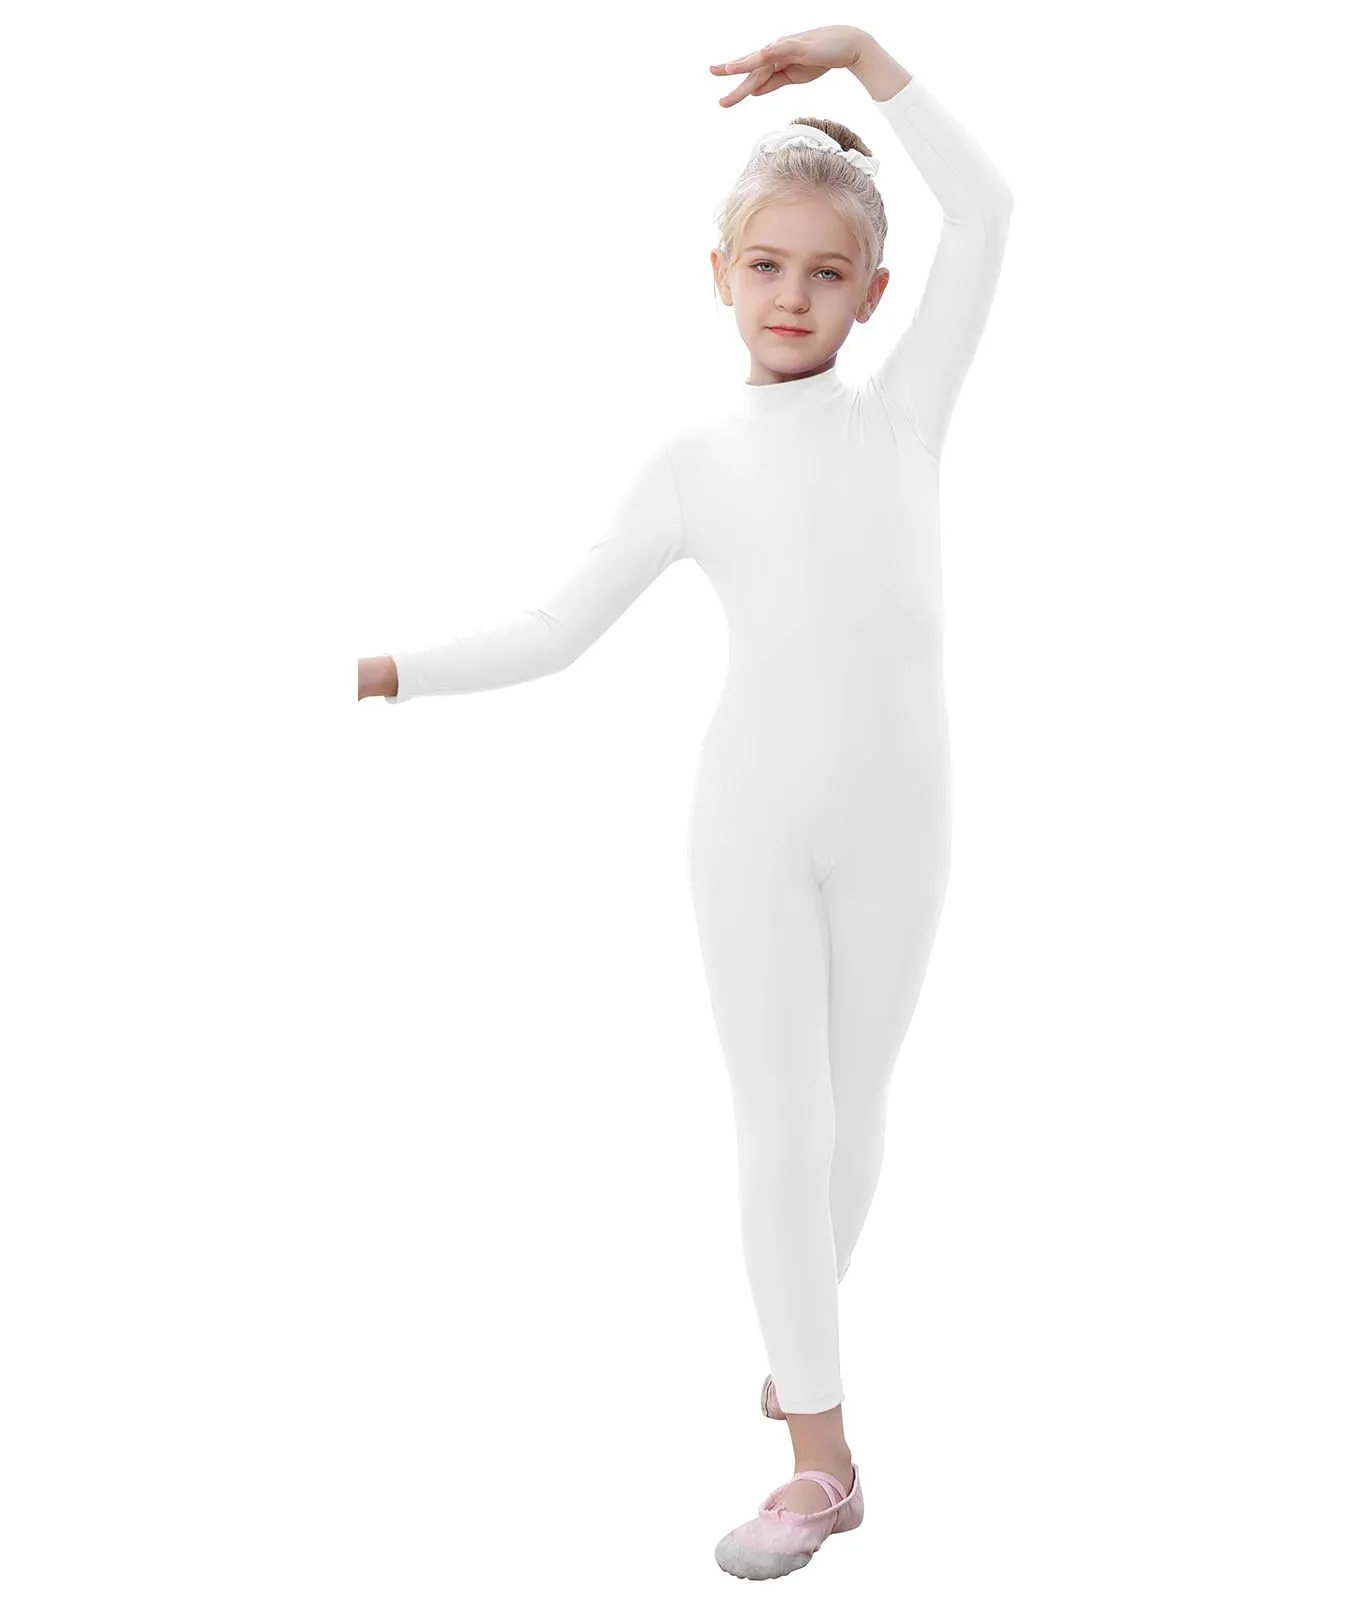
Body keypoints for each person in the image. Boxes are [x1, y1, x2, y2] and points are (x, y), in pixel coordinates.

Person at [356, 25, 1012, 1581]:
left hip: (903, 825)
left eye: (827, 274)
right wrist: (383, 669)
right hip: (751, 830)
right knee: (783, 1134)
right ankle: (823, 1467)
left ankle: (799, 1344)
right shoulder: (692, 459)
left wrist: (868, 58)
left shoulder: (903, 416)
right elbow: (553, 630)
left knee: (854, 1128)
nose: (793, 295)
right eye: (765, 266)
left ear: (875, 295)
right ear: (717, 274)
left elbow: (988, 210)